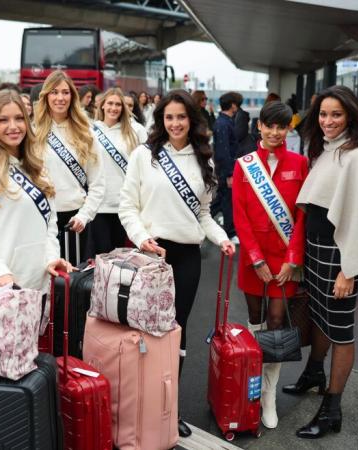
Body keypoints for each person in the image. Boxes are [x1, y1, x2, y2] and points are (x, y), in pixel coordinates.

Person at [118, 89, 235, 438]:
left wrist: (222, 238)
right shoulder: (144, 156)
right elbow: (128, 206)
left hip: (186, 258)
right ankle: (139, 405)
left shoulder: (205, 160)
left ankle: (169, 410)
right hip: (150, 253)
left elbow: (202, 214)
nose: (175, 123)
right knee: (143, 332)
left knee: (176, 334)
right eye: (169, 117)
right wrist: (141, 238)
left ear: (192, 119)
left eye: (181, 117)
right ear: (161, 119)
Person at [283, 85, 358, 439]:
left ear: (350, 117)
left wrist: (349, 270)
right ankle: (314, 373)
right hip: (316, 251)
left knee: (341, 332)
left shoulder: (357, 157)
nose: (328, 121)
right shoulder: (328, 150)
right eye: (324, 114)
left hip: (338, 257)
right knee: (321, 319)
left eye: (336, 115)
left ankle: (332, 409)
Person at [232, 100, 308, 429]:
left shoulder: (300, 163)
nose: (276, 132)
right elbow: (240, 215)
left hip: (285, 262)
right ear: (259, 126)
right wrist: (255, 258)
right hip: (254, 259)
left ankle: (269, 394)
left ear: (288, 129)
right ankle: (253, 381)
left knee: (277, 324)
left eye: (282, 127)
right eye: (270, 126)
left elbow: (302, 215)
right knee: (256, 322)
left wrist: (293, 260)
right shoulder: (244, 165)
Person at [0, 89, 72, 293]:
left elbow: (49, 225)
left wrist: (52, 257)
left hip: (40, 281)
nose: (13, 126)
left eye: (19, 118)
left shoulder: (37, 168)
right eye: (3, 120)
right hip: (1, 286)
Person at [34, 71, 104, 265]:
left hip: (75, 222)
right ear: (46, 96)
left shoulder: (86, 133)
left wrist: (84, 216)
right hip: (41, 218)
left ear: (72, 96)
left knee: (72, 287)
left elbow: (98, 184)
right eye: (54, 92)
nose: (60, 98)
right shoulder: (33, 132)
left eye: (65, 92)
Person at [88, 87, 147, 256]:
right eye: (110, 103)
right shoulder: (90, 130)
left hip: (125, 205)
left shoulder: (135, 130)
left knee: (123, 259)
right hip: (99, 205)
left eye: (118, 105)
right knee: (102, 257)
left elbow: (146, 164)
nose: (114, 108)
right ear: (102, 106)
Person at [211, 91, 242, 241]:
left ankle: (199, 221)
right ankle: (230, 232)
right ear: (233, 105)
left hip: (225, 167)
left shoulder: (223, 122)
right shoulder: (224, 123)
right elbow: (224, 151)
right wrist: (230, 173)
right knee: (227, 200)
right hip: (226, 169)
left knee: (222, 199)